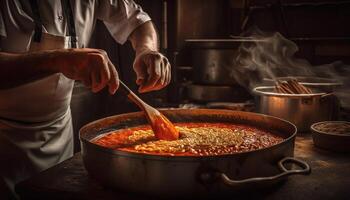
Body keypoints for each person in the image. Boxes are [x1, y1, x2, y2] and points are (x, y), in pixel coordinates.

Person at [0, 0, 171, 198]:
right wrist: (59, 59)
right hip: (5, 139)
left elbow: (137, 20)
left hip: (59, 130)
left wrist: (147, 49)